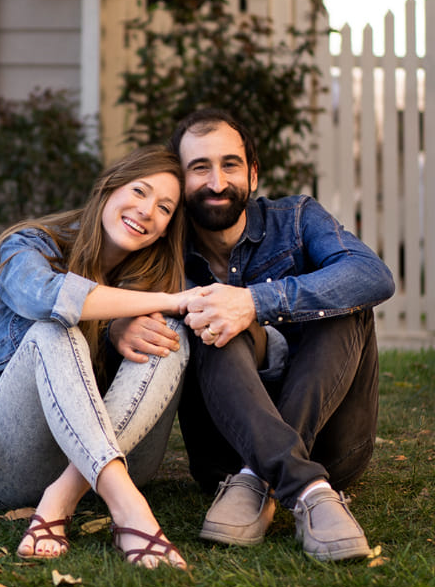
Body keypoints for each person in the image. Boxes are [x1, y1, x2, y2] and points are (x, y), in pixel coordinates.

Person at [108, 109, 395, 562]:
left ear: (253, 174)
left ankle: (257, 476)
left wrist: (255, 302)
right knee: (206, 316)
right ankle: (308, 489)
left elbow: (371, 274)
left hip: (332, 448)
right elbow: (102, 283)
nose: (217, 182)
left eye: (230, 165)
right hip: (222, 457)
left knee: (345, 306)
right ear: (180, 181)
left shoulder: (298, 219)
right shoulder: (161, 247)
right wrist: (117, 324)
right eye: (199, 168)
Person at [0, 145, 197, 569]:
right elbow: (46, 298)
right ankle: (130, 511)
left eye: (164, 208)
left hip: (121, 455)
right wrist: (163, 302)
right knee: (52, 328)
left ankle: (63, 495)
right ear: (107, 189)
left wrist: (126, 325)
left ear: (166, 229)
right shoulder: (28, 245)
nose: (147, 211)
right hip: (13, 465)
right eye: (139, 191)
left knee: (169, 333)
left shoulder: (158, 273)